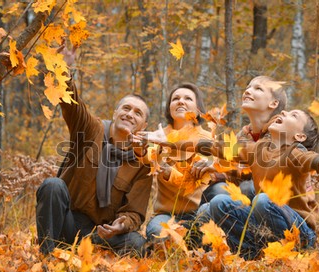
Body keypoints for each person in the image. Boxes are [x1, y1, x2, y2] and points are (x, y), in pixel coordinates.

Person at [204, 109, 319, 260]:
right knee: (219, 203)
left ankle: (293, 254)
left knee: (263, 200)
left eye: (293, 115)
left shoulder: (296, 154)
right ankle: (252, 255)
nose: (283, 112)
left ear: (299, 136)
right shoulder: (258, 150)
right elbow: (218, 147)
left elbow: (317, 160)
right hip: (265, 228)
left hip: (300, 234)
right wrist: (178, 144)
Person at [35, 47, 152, 257]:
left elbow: (134, 212)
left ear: (143, 125)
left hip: (99, 235)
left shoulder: (142, 163)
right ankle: (47, 256)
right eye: (126, 108)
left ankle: (95, 259)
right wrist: (64, 70)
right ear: (116, 112)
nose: (129, 114)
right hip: (67, 221)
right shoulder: (92, 129)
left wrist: (120, 225)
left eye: (137, 113)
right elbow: (73, 106)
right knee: (52, 185)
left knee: (137, 243)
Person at [134, 83, 212, 248]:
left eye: (188, 98)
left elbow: (194, 181)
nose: (180, 101)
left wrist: (169, 172)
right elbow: (147, 158)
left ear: (198, 109)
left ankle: (192, 241)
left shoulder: (207, 139)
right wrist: (139, 149)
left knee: (206, 230)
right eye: (175, 98)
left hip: (197, 213)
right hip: (166, 215)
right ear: (169, 108)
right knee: (158, 233)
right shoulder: (159, 135)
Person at [193, 75, 288, 204]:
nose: (248, 91)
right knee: (215, 190)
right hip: (245, 198)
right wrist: (214, 171)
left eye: (258, 89)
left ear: (273, 103)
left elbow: (264, 171)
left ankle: (253, 224)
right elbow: (232, 171)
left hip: (276, 202)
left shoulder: (282, 131)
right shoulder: (243, 135)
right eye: (248, 87)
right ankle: (200, 221)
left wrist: (219, 169)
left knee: (248, 187)